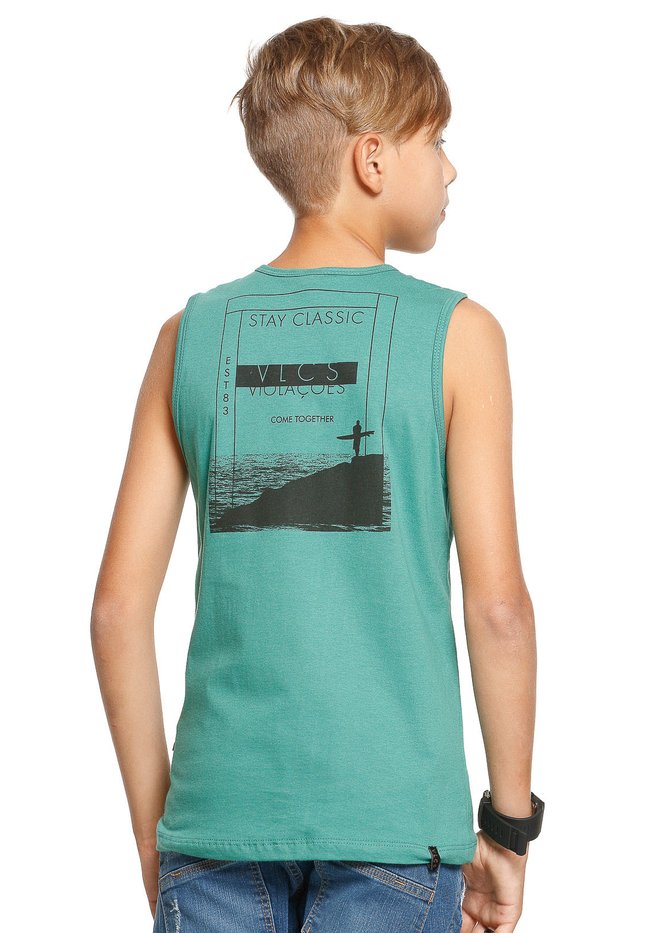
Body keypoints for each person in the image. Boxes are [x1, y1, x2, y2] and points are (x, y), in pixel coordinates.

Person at [90, 16, 540, 933]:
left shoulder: (188, 336)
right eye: (436, 142)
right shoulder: (459, 337)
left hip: (215, 828)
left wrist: (155, 835)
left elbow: (115, 611)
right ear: (373, 160)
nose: (451, 169)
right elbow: (498, 608)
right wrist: (508, 825)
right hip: (396, 833)